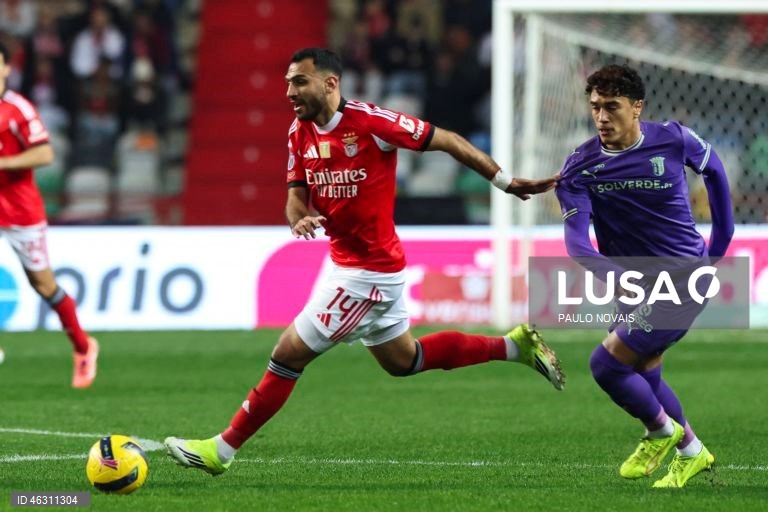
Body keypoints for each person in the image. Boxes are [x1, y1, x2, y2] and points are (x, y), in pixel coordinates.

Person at [164, 47, 565, 474]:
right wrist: (299, 221)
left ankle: (220, 451)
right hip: (346, 265)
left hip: (370, 272)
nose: (289, 92)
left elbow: (445, 139)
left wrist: (503, 181)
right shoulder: (298, 133)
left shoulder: (371, 123)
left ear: (330, 83)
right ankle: (513, 346)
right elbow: (295, 197)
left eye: (299, 82)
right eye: (287, 83)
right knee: (403, 361)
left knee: (287, 354)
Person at [554, 64, 734, 488]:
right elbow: (578, 244)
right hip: (634, 281)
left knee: (605, 365)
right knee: (645, 371)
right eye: (595, 107)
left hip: (683, 278)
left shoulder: (672, 139)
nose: (601, 117)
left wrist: (718, 250)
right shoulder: (579, 166)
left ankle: (660, 432)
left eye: (611, 107)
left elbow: (716, 173)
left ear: (637, 108)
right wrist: (618, 278)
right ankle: (692, 452)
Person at [0, 41, 99, 388]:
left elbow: (44, 155)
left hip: (19, 211)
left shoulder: (18, 110)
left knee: (43, 284)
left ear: (7, 69)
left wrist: (4, 162)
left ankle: (84, 347)